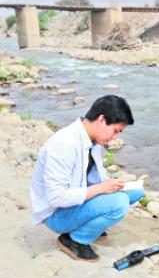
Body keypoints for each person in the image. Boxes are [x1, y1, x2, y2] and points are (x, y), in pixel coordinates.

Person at [30, 95, 144, 262]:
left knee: (135, 191)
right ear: (101, 120)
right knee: (119, 203)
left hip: (74, 203)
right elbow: (56, 197)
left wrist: (111, 183)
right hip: (56, 215)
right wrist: (102, 189)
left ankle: (90, 225)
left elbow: (95, 176)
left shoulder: (92, 140)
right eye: (116, 131)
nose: (115, 138)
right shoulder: (64, 144)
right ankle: (74, 240)